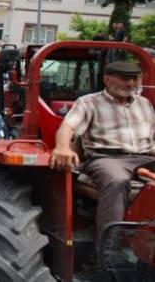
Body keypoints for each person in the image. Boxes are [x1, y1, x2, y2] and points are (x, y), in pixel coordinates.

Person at [49, 61, 155, 240]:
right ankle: (109, 249)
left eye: (134, 79)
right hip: (107, 159)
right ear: (107, 80)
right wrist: (62, 147)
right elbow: (67, 127)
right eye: (124, 79)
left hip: (146, 158)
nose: (130, 84)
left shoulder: (144, 103)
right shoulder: (88, 103)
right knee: (117, 181)